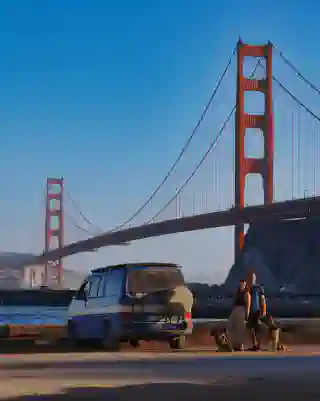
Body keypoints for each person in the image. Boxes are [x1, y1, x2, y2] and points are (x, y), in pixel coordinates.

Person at [247, 271, 280, 351]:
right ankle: (256, 345)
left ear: (255, 278)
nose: (251, 279)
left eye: (253, 277)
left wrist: (263, 311)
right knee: (253, 329)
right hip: (250, 312)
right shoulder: (247, 288)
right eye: (250, 277)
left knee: (261, 328)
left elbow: (262, 300)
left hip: (258, 311)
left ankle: (274, 345)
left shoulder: (258, 288)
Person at [227, 279, 250, 351]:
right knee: (230, 326)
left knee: (240, 329)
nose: (241, 285)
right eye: (240, 284)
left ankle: (240, 345)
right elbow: (234, 302)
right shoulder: (237, 293)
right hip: (236, 310)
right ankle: (234, 344)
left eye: (243, 284)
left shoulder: (247, 294)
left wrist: (247, 315)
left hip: (242, 310)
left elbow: (248, 305)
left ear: (245, 285)